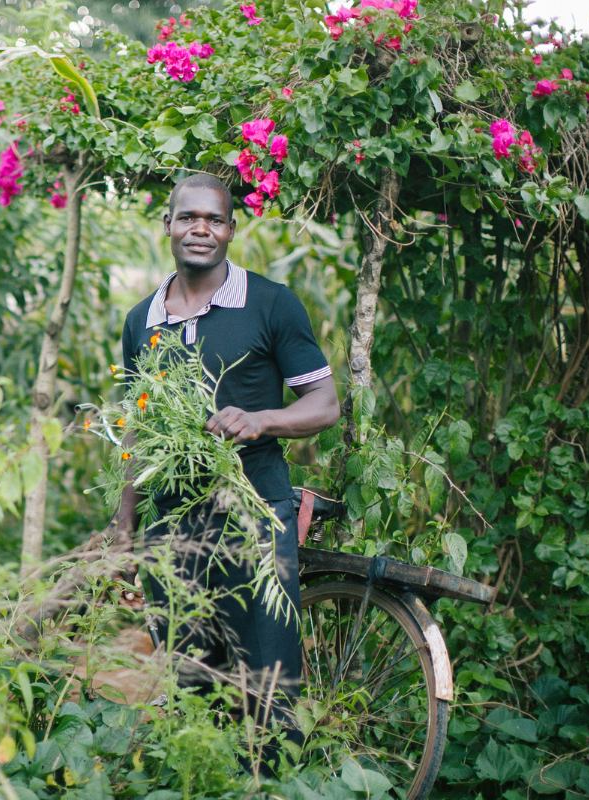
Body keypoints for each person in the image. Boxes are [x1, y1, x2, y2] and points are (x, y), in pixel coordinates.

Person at [113, 173, 340, 729]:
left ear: (232, 230)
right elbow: (139, 425)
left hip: (255, 518)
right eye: (188, 217)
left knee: (268, 688)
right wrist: (125, 522)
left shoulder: (270, 304)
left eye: (214, 220)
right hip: (171, 526)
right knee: (192, 688)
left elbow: (325, 403)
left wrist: (263, 418)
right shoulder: (141, 319)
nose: (201, 230)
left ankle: (274, 785)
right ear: (167, 224)